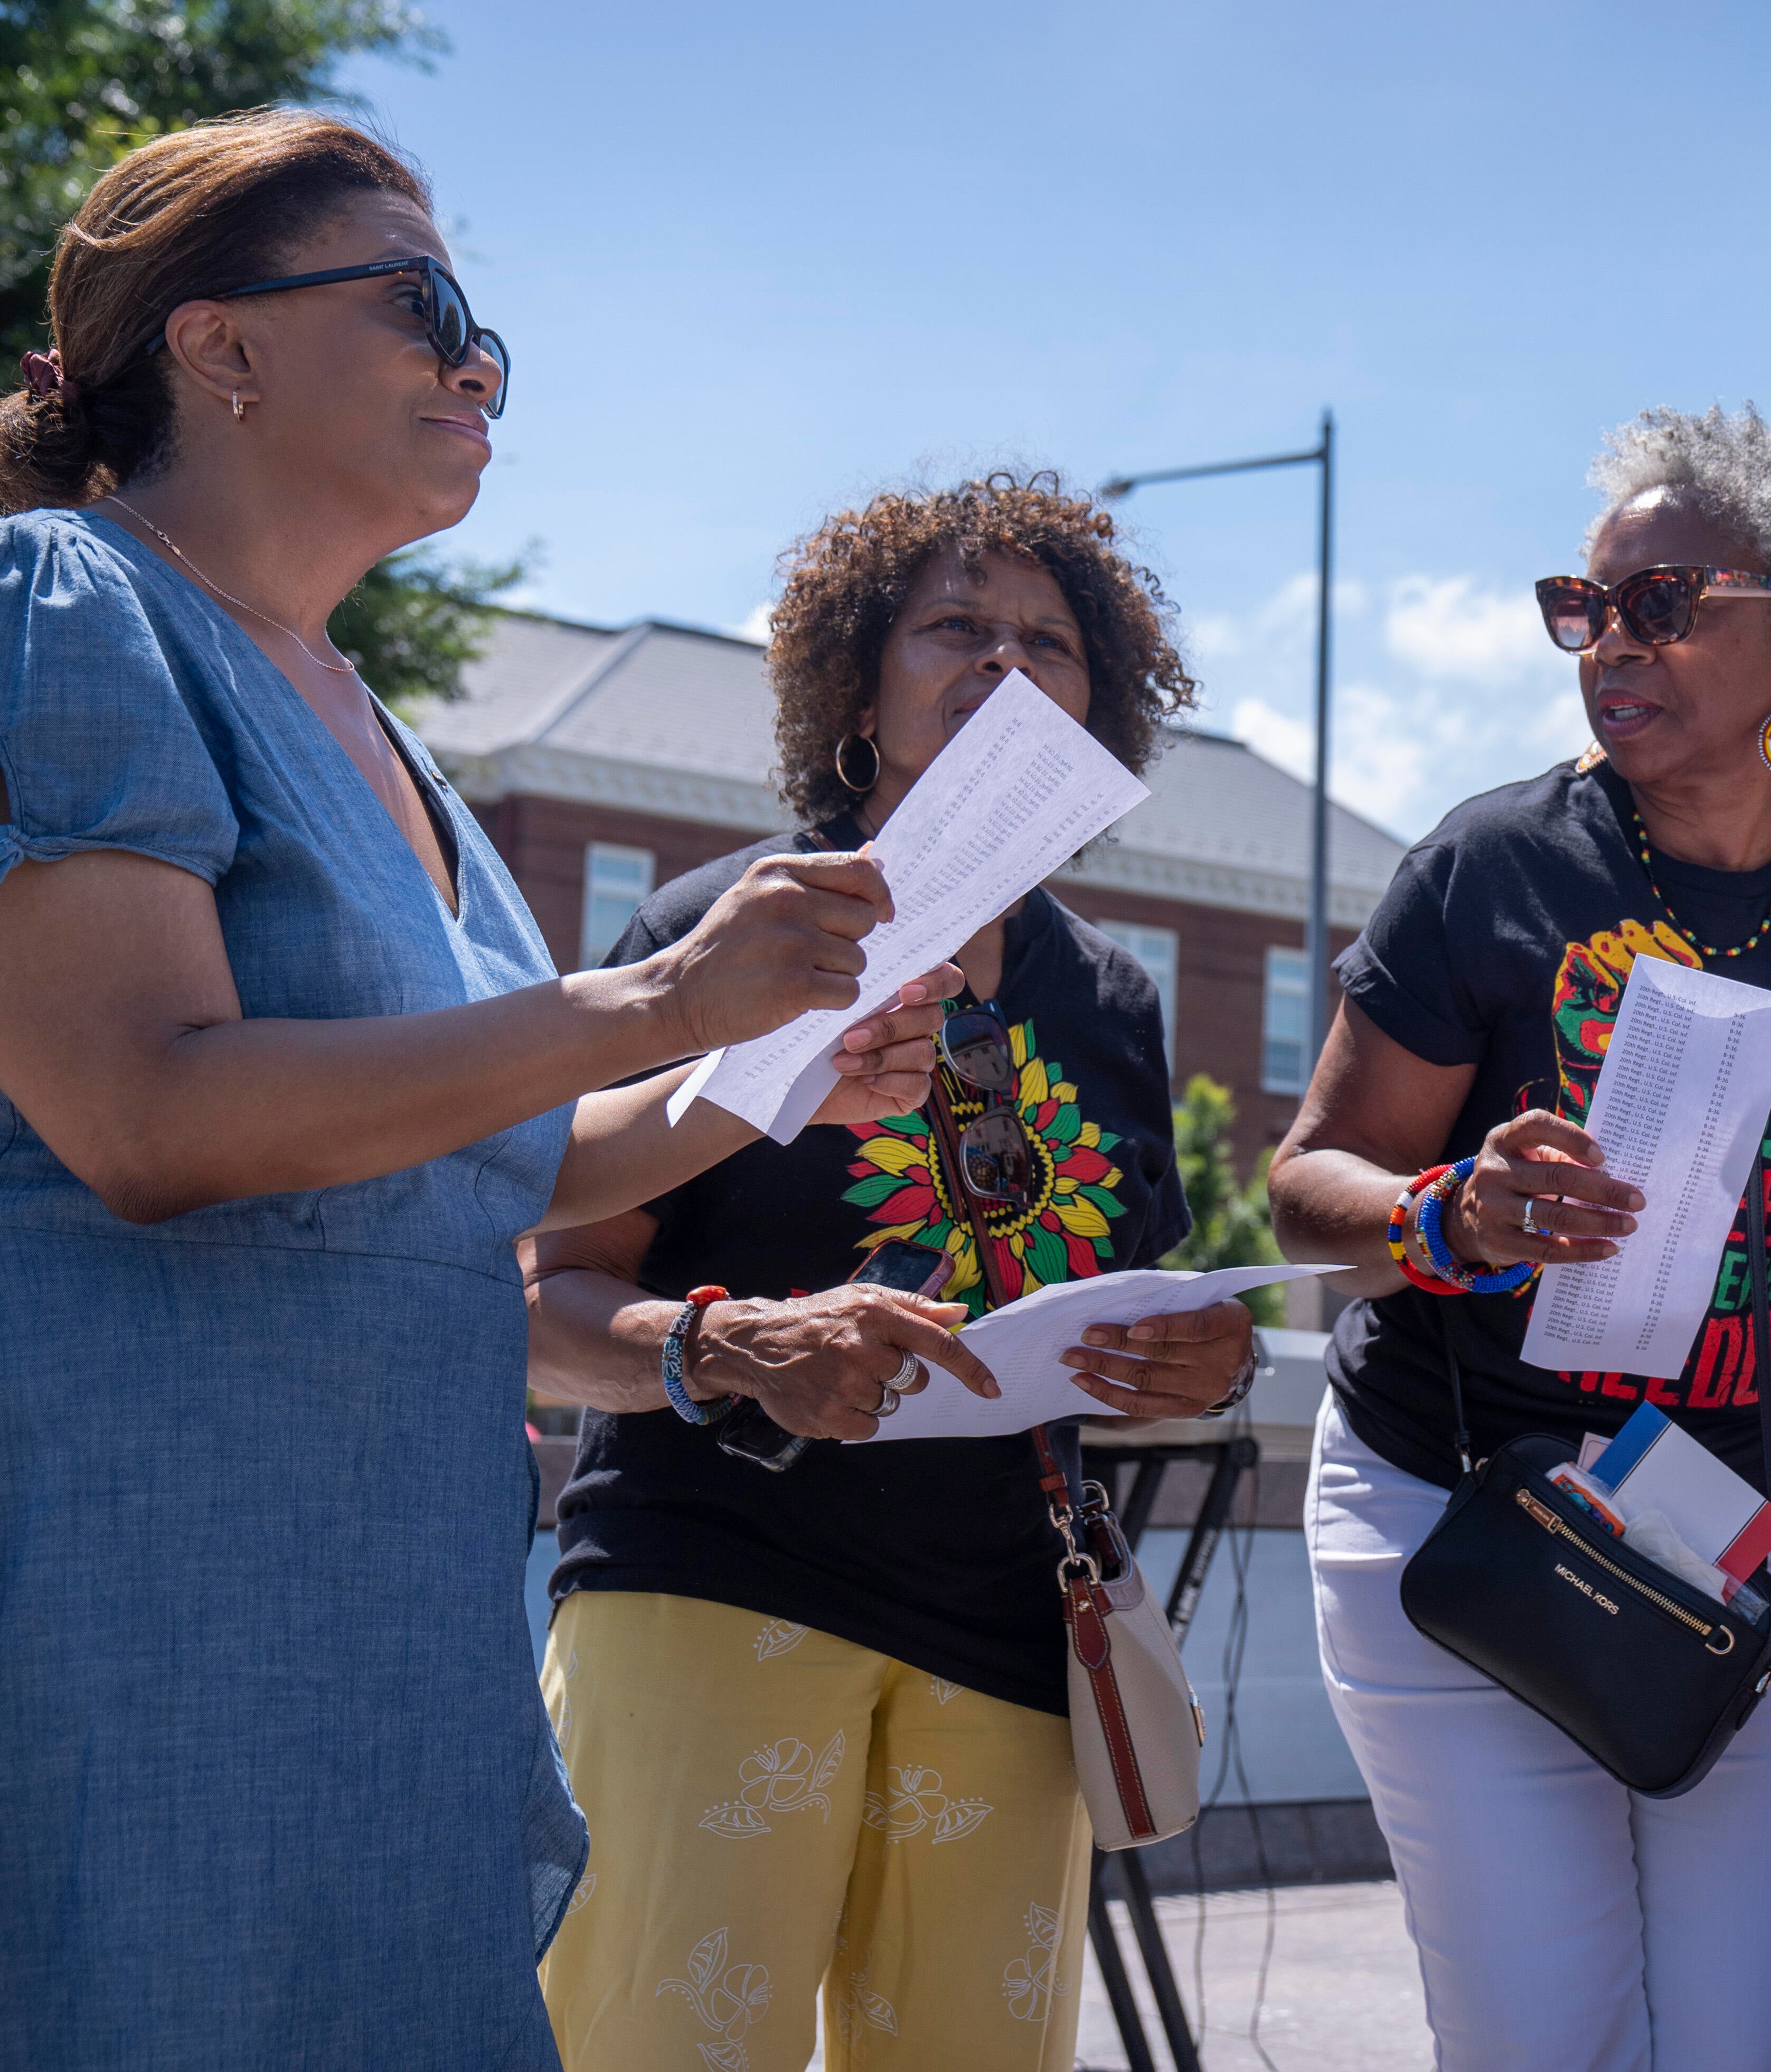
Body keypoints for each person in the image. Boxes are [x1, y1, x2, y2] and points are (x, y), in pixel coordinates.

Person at [0, 114, 961, 2069]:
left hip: (398, 1627)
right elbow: (147, 1117)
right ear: (221, 344)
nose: (480, 366)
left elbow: (484, 1164)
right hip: (152, 1606)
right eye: (427, 307)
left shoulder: (389, 739)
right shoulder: (67, 604)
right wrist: (657, 994)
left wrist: (766, 1073)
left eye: (492, 337)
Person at [1270, 405, 1771, 2071]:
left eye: (1660, 600)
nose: (1608, 643)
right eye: (1581, 607)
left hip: (1752, 1522)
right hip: (1458, 1503)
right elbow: (1310, 1192)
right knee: (1546, 2041)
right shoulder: (1489, 868)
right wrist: (1455, 1211)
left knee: (1754, 2045)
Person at [524, 476, 1259, 2072]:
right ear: (858, 682)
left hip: (1009, 1634)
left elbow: (1104, 1322)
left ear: (1096, 703)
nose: (1001, 661)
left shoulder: (1112, 1001)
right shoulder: (722, 932)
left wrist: (1188, 1371)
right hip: (711, 1590)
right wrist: (728, 1341)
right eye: (952, 626)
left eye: (1047, 642)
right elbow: (539, 1306)